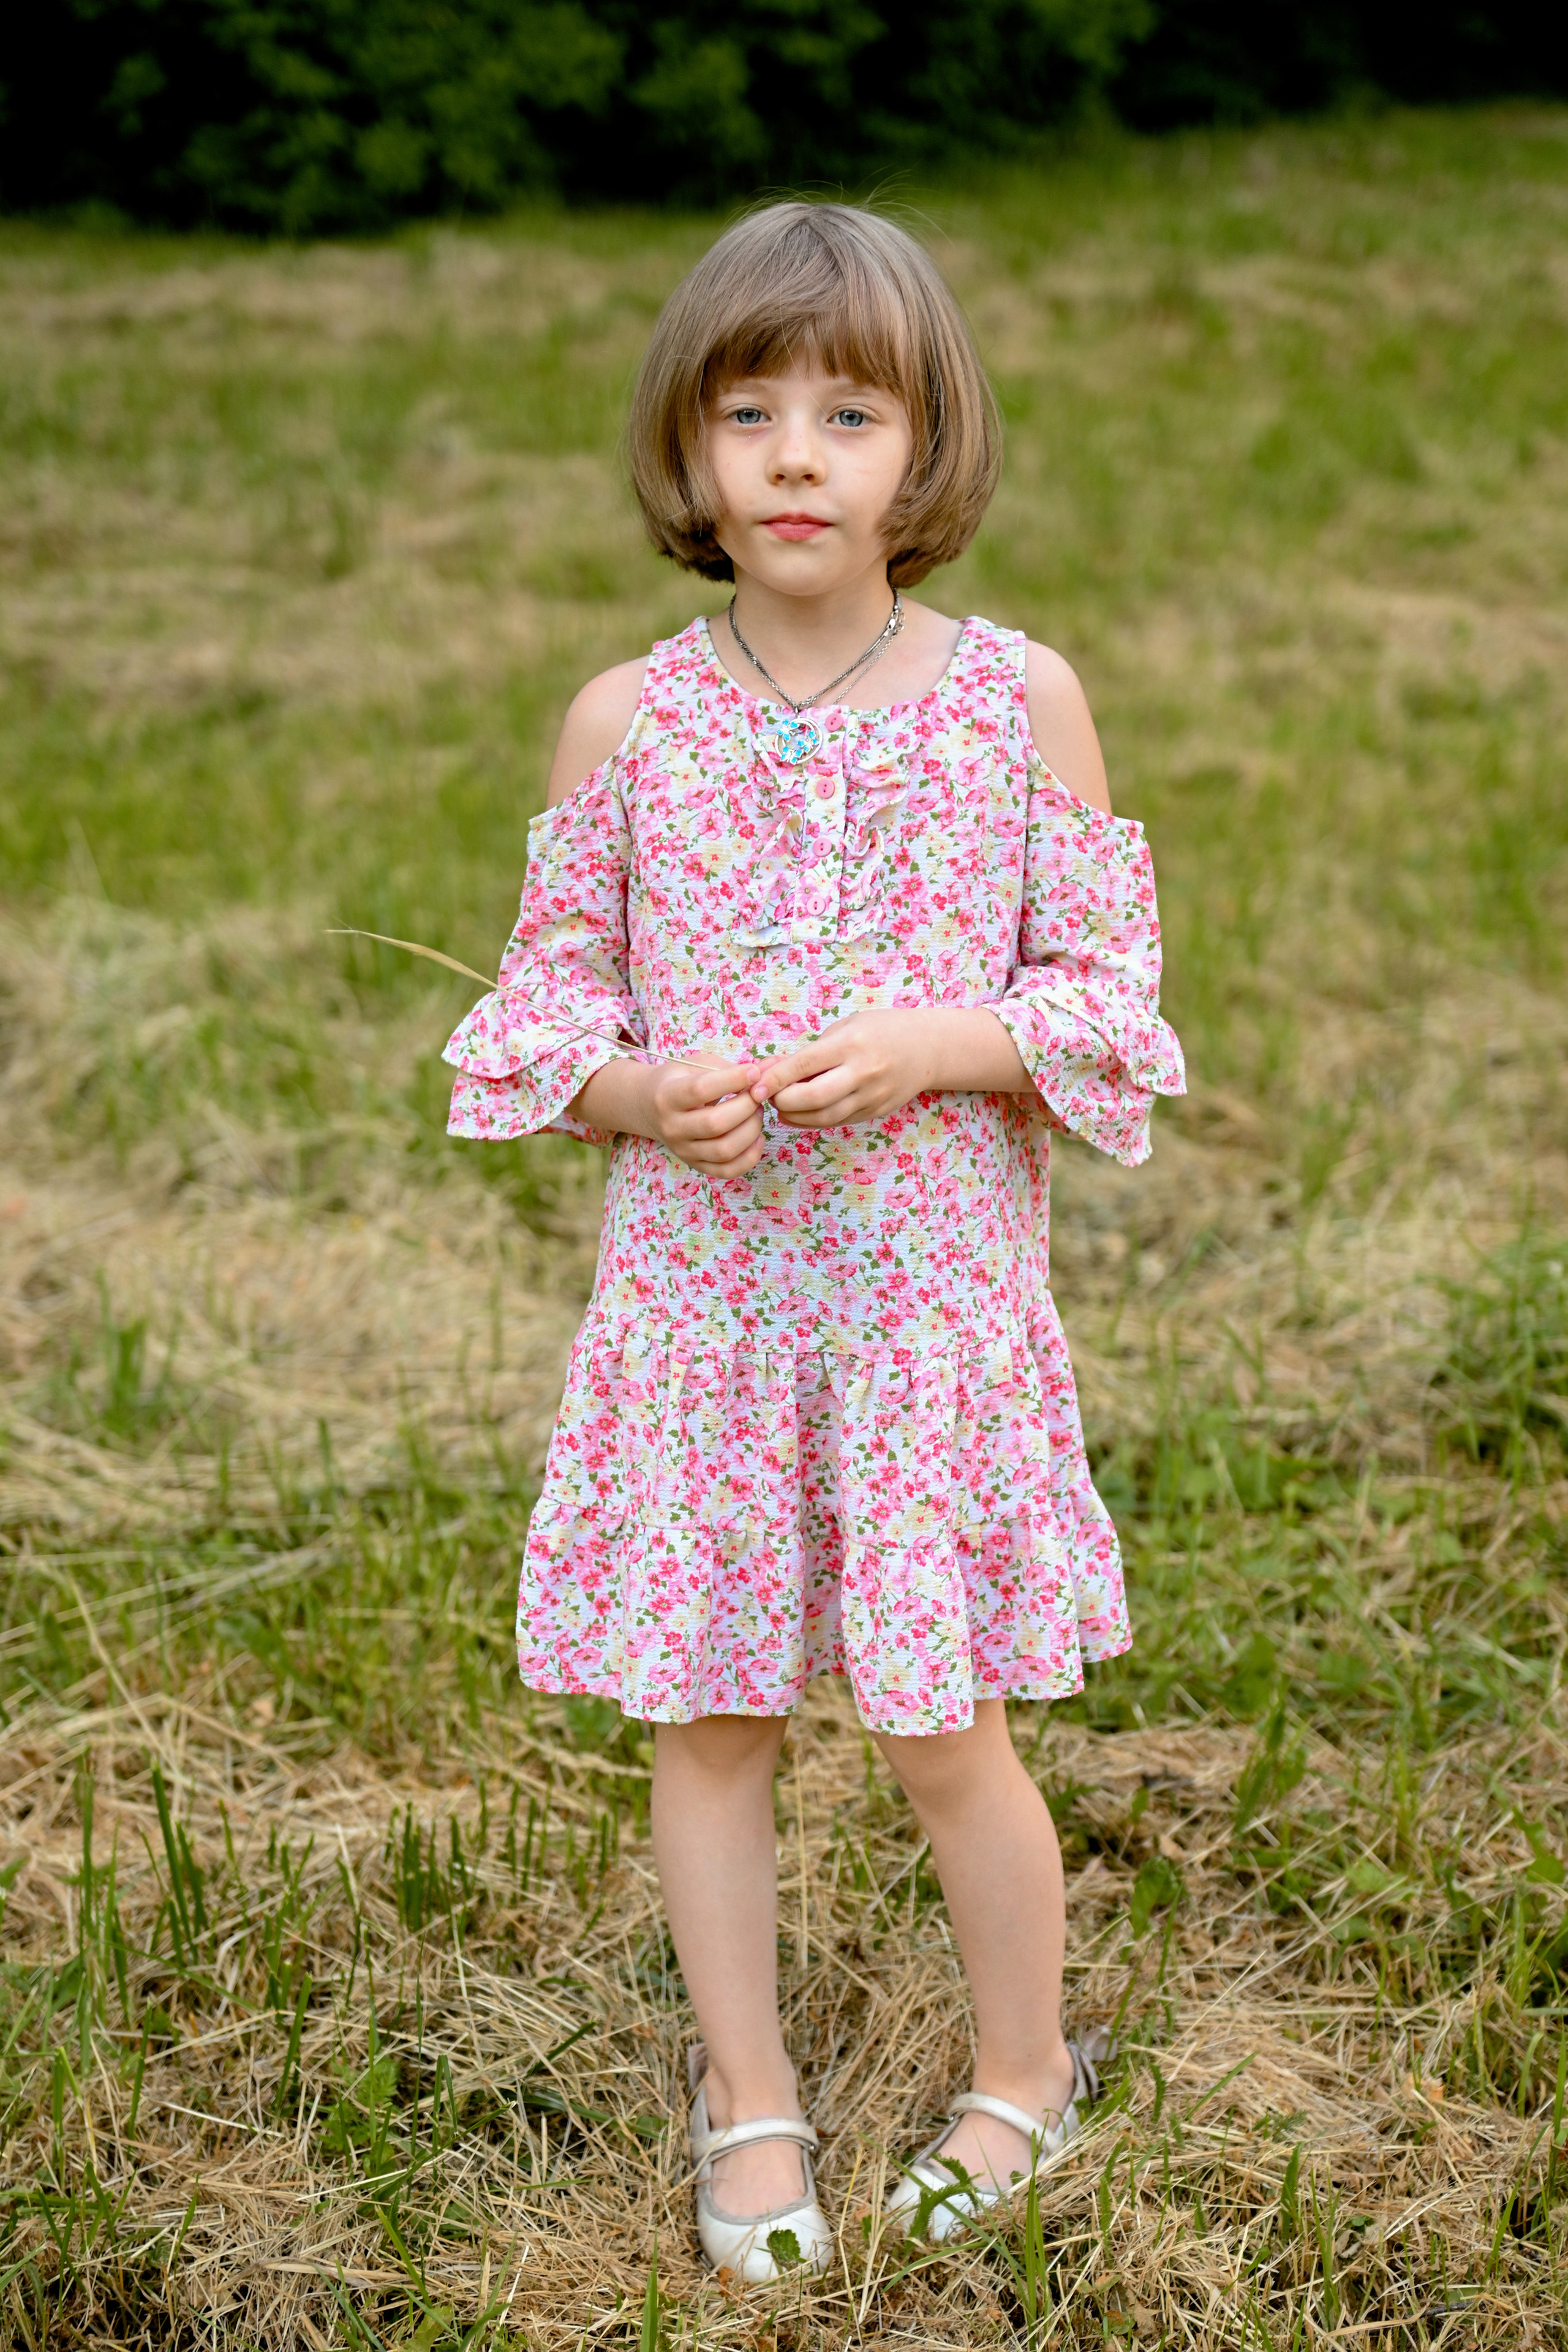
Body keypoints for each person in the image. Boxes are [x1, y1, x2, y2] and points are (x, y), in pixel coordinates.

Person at [444, 201, 1184, 2283]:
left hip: (926, 1315)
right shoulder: (628, 722)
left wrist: (946, 1042)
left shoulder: (1018, 701)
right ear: (686, 452)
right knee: (712, 1722)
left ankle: (1022, 2072)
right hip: (708, 1316)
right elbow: (537, 1015)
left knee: (946, 1728)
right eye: (747, 412)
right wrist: (637, 1091)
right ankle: (750, 2094)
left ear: (926, 448)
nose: (794, 457)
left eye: (850, 415)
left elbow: (1113, 1004)